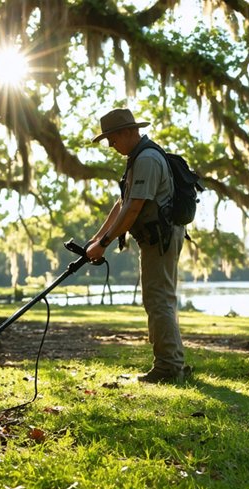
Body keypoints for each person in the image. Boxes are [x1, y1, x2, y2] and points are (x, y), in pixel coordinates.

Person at [85, 108, 188, 383]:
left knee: (158, 300)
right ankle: (173, 361)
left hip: (161, 238)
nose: (110, 144)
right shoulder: (137, 158)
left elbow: (133, 210)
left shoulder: (148, 159)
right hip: (154, 238)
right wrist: (97, 238)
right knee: (159, 299)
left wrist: (104, 244)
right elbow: (121, 204)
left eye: (112, 138)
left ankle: (168, 367)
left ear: (129, 132)